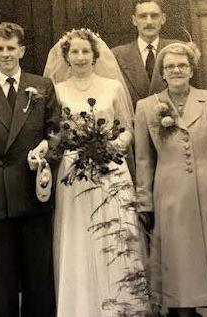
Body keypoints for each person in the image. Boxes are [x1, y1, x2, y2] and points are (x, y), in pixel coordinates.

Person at [44, 28, 150, 316]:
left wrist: (113, 146)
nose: (80, 57)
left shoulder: (112, 86)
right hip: (74, 170)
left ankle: (123, 306)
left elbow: (127, 128)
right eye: (74, 52)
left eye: (85, 51)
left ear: (94, 55)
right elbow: (55, 132)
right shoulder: (57, 89)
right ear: (66, 57)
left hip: (110, 168)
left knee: (114, 232)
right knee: (79, 236)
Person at [134, 42, 207, 317]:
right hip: (170, 193)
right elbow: (144, 159)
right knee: (179, 257)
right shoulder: (147, 107)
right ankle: (184, 311)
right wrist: (144, 202)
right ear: (162, 73)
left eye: (182, 65)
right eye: (170, 67)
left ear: (192, 69)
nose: (176, 70)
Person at [0, 22, 60, 317]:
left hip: (33, 189)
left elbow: (56, 133)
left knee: (37, 273)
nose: (6, 54)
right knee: (1, 274)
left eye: (12, 48)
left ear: (22, 50)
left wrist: (45, 153)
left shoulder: (42, 86)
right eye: (0, 49)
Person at [112, 0, 177, 110]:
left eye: (154, 16)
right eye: (143, 16)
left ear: (163, 19)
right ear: (134, 20)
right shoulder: (117, 55)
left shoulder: (176, 49)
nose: (149, 22)